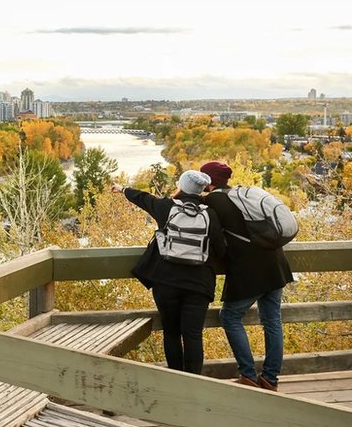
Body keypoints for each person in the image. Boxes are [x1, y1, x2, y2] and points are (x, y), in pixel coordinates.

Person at [111, 171, 226, 374]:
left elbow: (143, 198)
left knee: (171, 333)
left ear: (181, 186)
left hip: (166, 281)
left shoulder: (167, 207)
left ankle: (175, 380)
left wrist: (122, 189)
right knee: (193, 335)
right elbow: (221, 249)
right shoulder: (210, 214)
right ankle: (194, 384)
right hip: (198, 284)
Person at [200, 161, 294, 391]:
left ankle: (248, 375)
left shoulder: (213, 201)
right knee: (272, 321)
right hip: (276, 264)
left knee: (230, 316)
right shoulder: (240, 195)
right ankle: (270, 379)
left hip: (250, 270)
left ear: (209, 181)